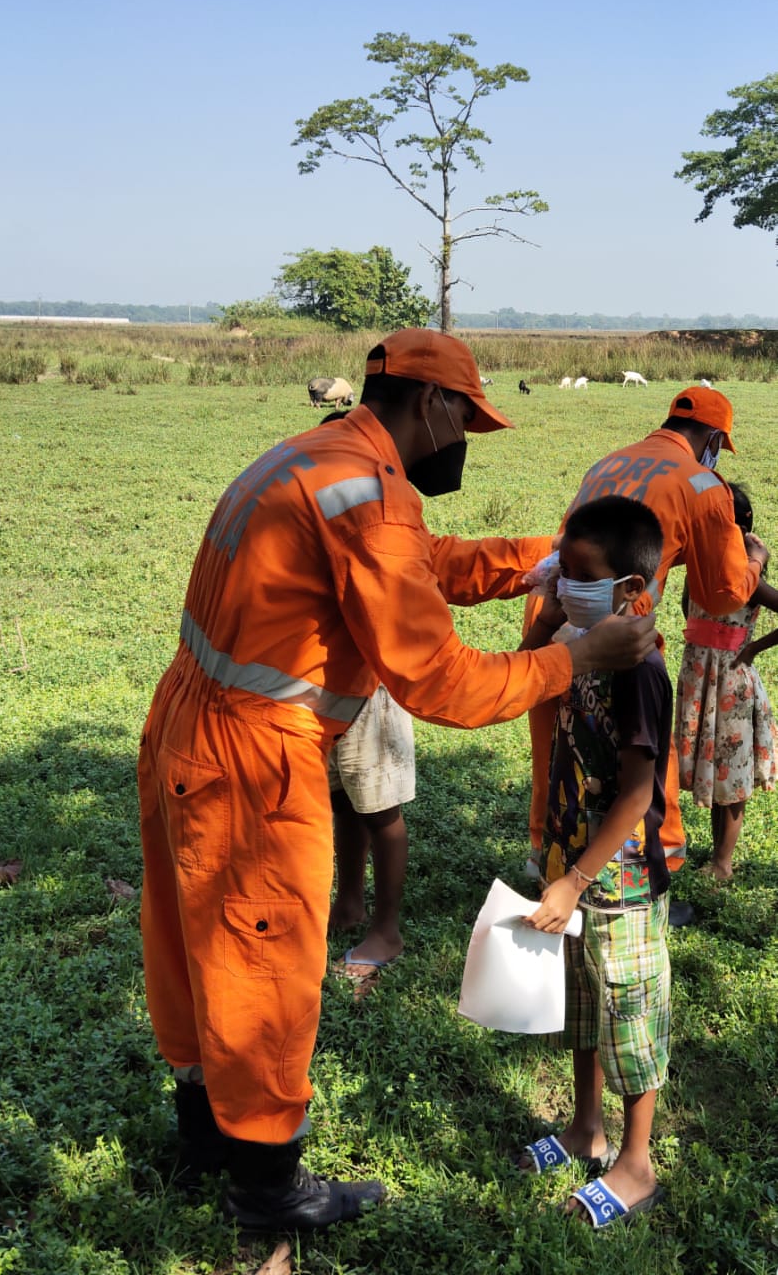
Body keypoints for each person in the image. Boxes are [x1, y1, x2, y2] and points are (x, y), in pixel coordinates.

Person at [138, 328, 658, 1233]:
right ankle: (266, 1194)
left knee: (194, 953)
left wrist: (541, 559)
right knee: (263, 968)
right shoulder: (370, 496)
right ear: (432, 405)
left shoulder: (322, 456)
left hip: (188, 729)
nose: (465, 441)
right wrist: (572, 657)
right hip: (253, 759)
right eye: (467, 422)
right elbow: (441, 680)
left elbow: (416, 563)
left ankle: (205, 1141)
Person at [524, 386, 769, 926]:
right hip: (617, 630)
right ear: (713, 439)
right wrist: (754, 561)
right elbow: (725, 592)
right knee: (645, 767)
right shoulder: (705, 483)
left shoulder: (612, 460)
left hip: (554, 609)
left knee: (561, 754)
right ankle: (656, 872)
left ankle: (548, 858)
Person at [520, 496, 671, 1228]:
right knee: (582, 1008)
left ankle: (636, 1163)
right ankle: (586, 1127)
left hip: (619, 882)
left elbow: (638, 791)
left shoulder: (638, 670)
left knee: (627, 1019)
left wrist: (576, 879)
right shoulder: (582, 642)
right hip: (571, 866)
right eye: (562, 570)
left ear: (630, 595)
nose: (564, 584)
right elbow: (520, 678)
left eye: (579, 575)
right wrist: (550, 616)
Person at [675, 483, 778, 881]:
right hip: (701, 678)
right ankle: (717, 853)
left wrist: (752, 649)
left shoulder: (747, 579)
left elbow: (690, 609)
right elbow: (688, 608)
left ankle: (723, 862)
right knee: (716, 768)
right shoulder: (700, 566)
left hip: (731, 681)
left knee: (731, 775)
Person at [328, 684, 413, 979]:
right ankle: (349, 904)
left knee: (381, 811)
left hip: (371, 692)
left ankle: (386, 932)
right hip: (327, 684)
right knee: (341, 796)